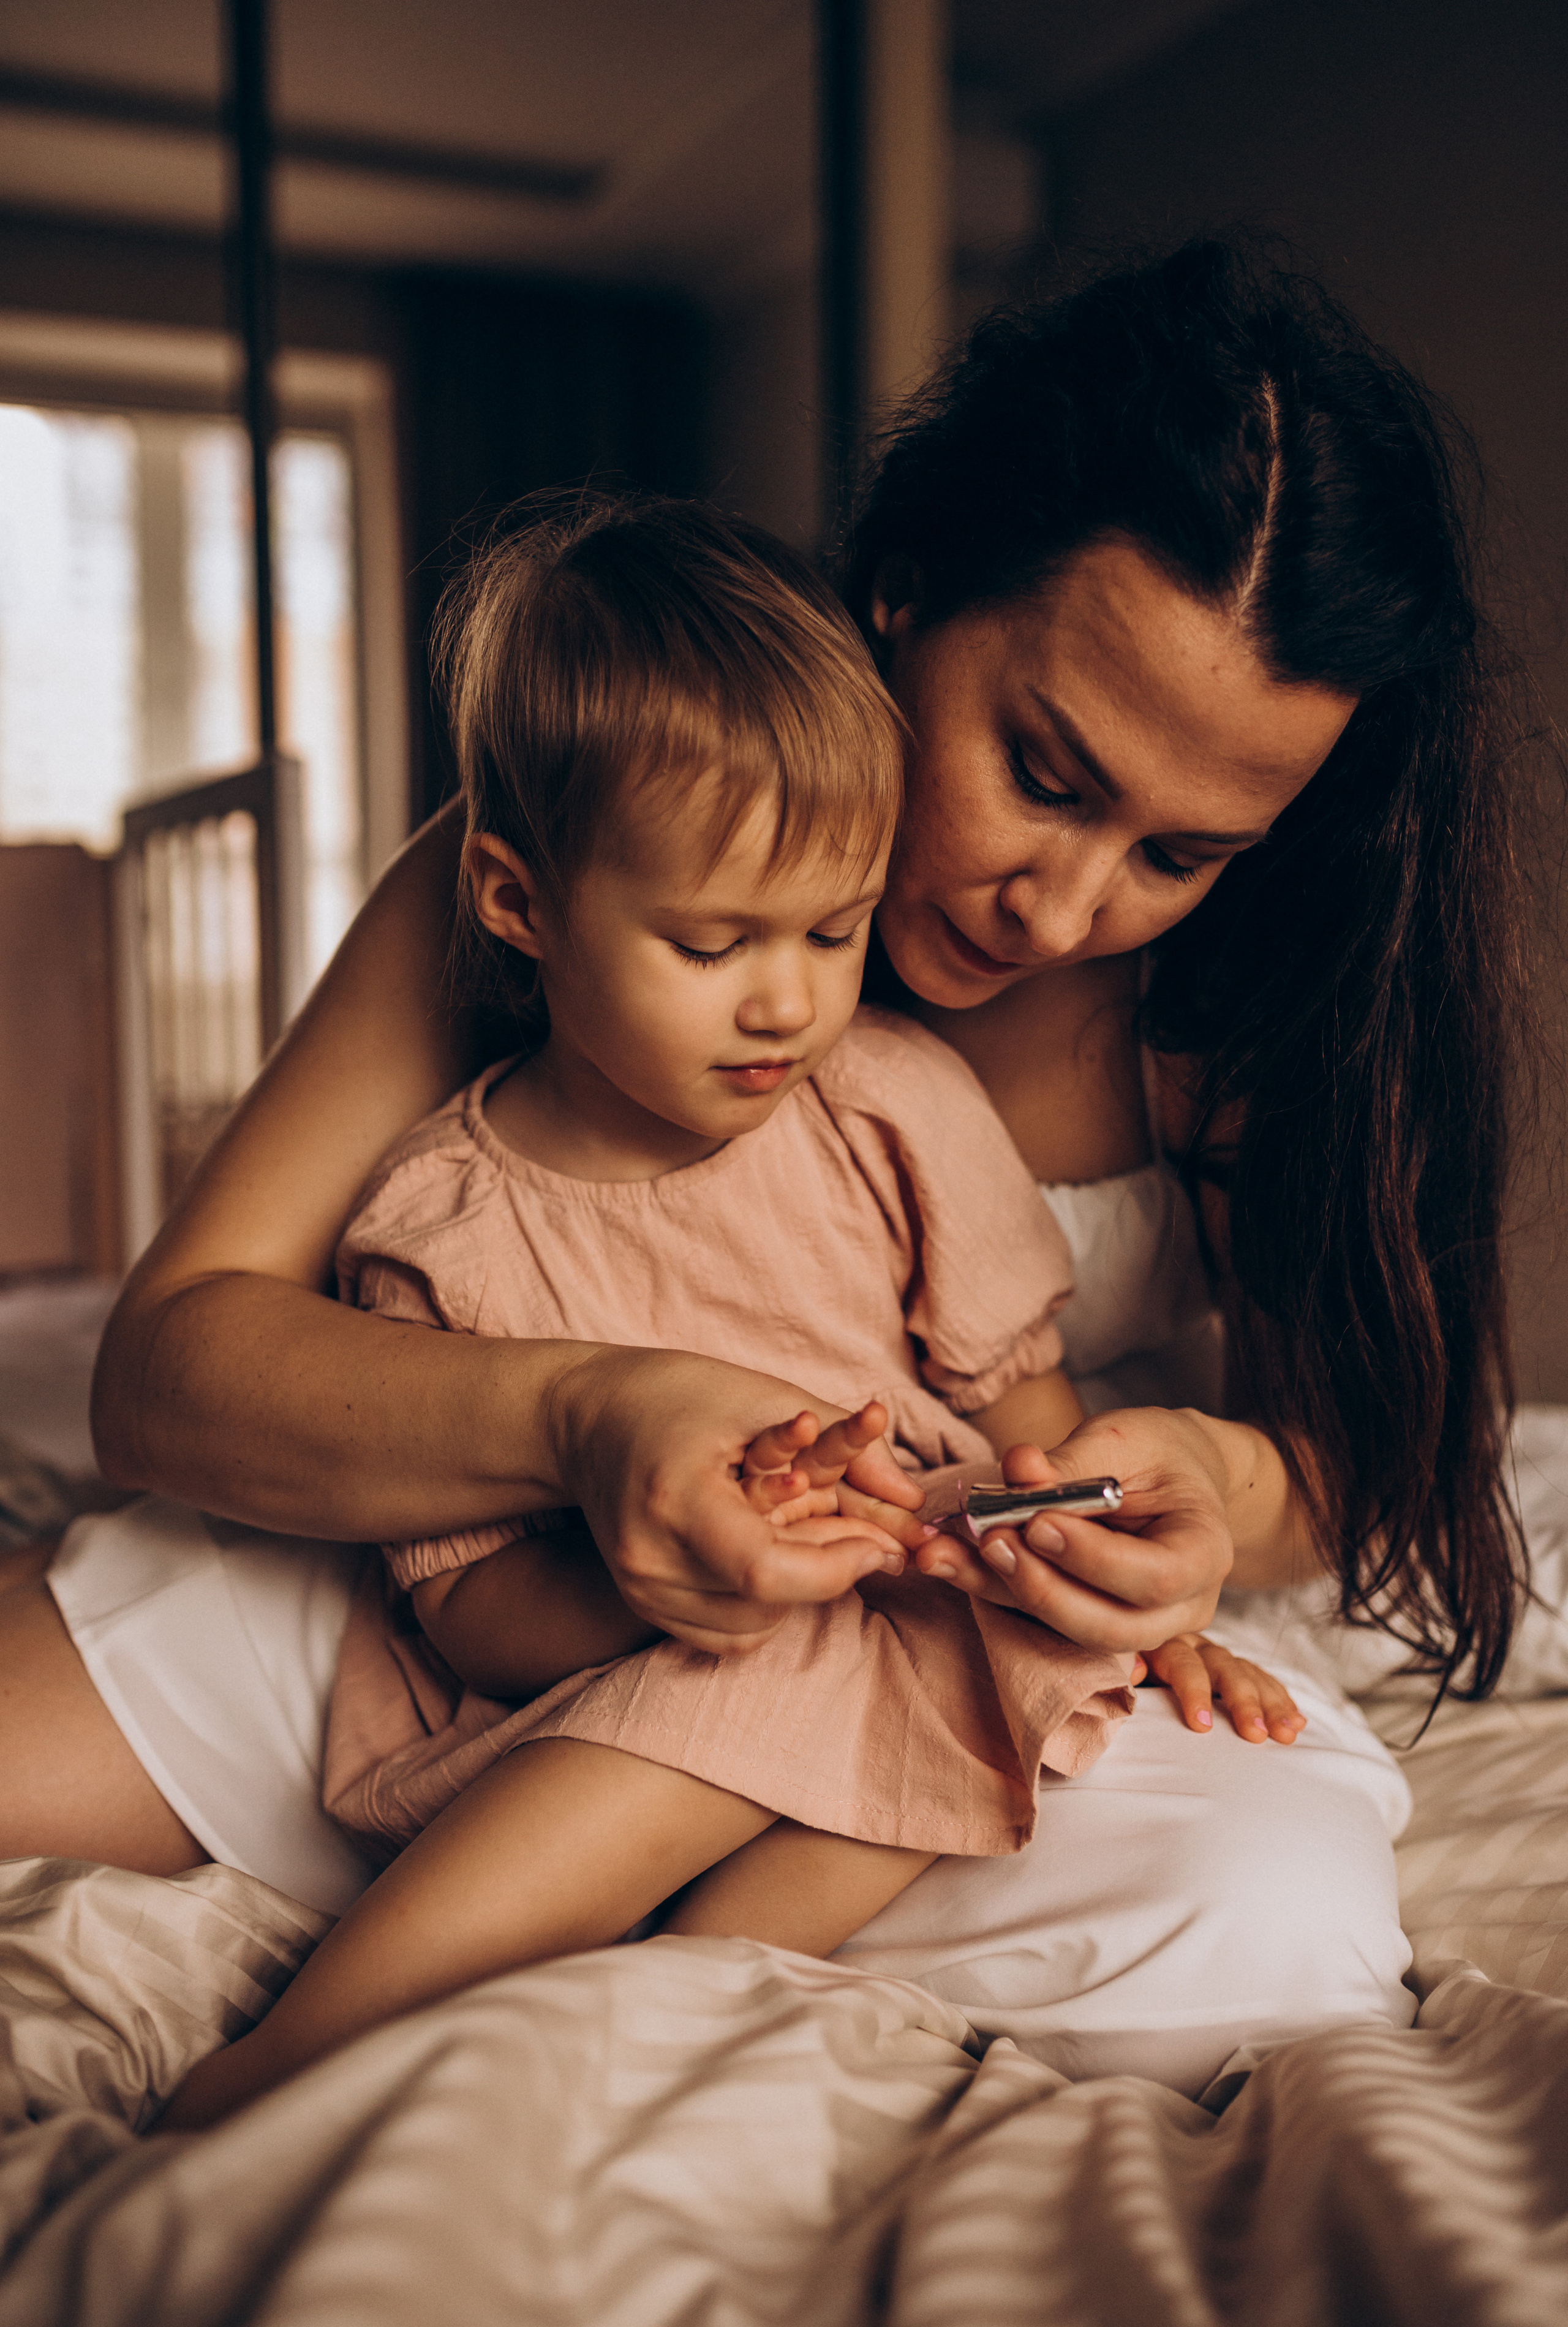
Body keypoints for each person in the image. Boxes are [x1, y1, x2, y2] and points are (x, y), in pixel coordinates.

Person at [2, 240, 1523, 2099]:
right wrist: (585, 1419)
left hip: (937, 1626)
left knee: (1270, 1912)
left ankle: (614, 1954)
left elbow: (1369, 1450)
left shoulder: (1263, 1014)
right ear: (905, 595)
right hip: (479, 1556)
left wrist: (1212, 1476)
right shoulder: (596, 841)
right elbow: (168, 1368)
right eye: (1042, 772)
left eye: (1181, 854)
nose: (1063, 908)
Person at [159, 495, 1305, 2129]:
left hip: (923, 1588)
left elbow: (1031, 1414)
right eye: (714, 944)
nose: (789, 1000)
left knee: (1000, 1671)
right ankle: (298, 2067)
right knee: (796, 1670)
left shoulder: (894, 1101)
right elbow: (469, 1612)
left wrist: (1129, 1575)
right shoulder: (440, 1227)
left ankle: (649, 2021)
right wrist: (689, 1596)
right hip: (618, 1675)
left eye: (836, 932)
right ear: (516, 905)